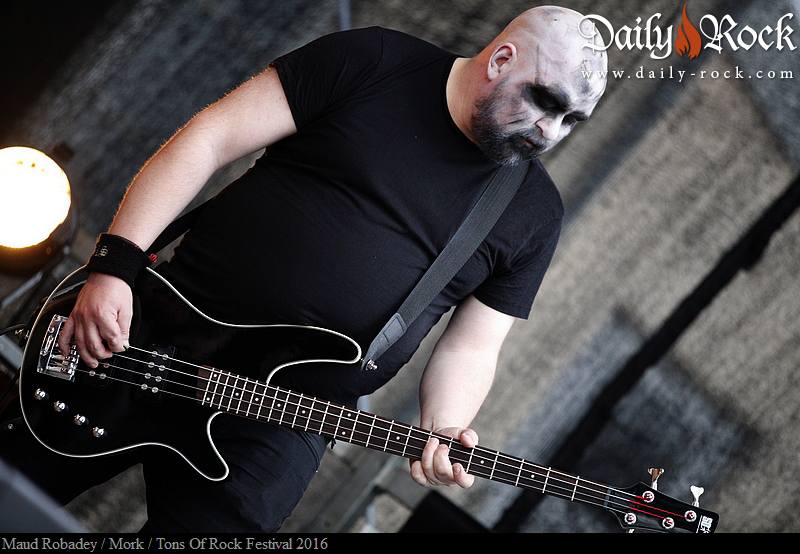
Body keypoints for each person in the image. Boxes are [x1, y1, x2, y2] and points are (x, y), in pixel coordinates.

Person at [2, 5, 607, 532]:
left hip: (286, 413)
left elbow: (472, 347)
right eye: (545, 101)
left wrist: (445, 427)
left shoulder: (533, 212)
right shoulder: (374, 61)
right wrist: (115, 266)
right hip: (152, 327)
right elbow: (211, 138)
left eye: (571, 120)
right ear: (500, 59)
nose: (549, 131)